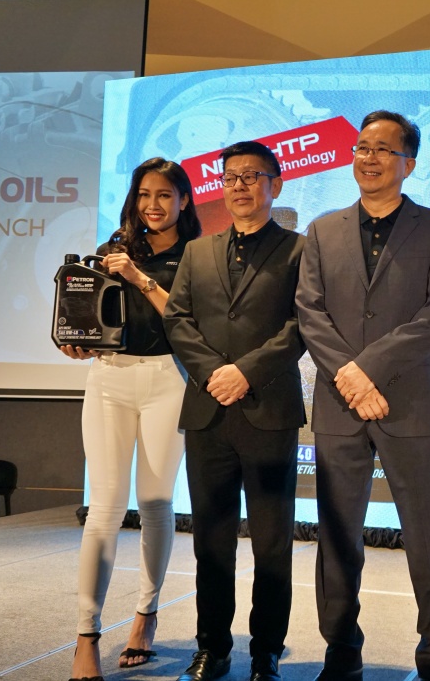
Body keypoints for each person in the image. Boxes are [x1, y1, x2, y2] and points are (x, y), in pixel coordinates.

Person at [295, 110, 430, 681]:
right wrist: (349, 376)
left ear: (408, 164)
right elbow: (310, 311)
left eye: (384, 149)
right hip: (339, 404)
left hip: (408, 402)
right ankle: (341, 653)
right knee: (337, 538)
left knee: (429, 539)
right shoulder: (323, 229)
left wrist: (366, 370)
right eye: (362, 147)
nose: (369, 158)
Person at [163, 141, 306, 681]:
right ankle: (213, 648)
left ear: (276, 184)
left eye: (252, 176)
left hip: (268, 408)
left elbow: (301, 325)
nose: (239, 186)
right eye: (230, 177)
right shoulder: (198, 251)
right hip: (208, 412)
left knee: (272, 543)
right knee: (211, 541)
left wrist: (245, 371)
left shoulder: (299, 250)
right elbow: (177, 320)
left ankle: (266, 650)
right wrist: (212, 374)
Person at [64, 157, 202, 681]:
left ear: (184, 199)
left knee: (156, 502)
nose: (153, 204)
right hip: (109, 377)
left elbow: (186, 322)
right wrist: (75, 342)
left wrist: (139, 279)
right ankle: (86, 635)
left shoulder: (198, 255)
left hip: (169, 378)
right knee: (104, 507)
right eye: (144, 194)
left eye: (164, 194)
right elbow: (88, 316)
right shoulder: (112, 250)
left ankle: (145, 614)